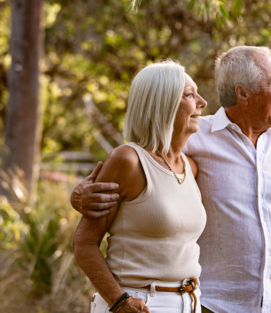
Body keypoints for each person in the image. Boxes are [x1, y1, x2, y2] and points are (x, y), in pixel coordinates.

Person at [72, 46, 271, 313]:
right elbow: (140, 166)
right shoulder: (194, 136)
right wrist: (80, 193)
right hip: (209, 305)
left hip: (258, 306)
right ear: (243, 93)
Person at [72, 60, 208, 313]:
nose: (202, 102)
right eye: (189, 94)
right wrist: (119, 300)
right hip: (138, 303)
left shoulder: (191, 167)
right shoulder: (128, 160)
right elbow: (84, 243)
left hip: (190, 302)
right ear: (163, 104)